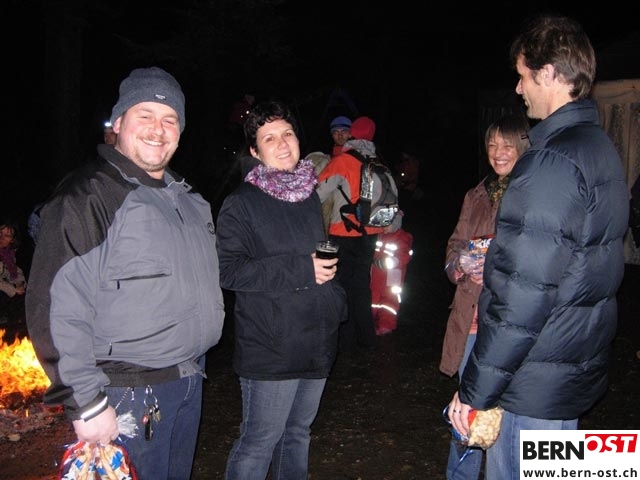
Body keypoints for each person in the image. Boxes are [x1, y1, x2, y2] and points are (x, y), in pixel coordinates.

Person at [448, 14, 629, 480]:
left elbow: (522, 295)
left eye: (524, 75)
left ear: (548, 74)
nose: (518, 87)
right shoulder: (598, 147)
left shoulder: (549, 163)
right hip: (566, 371)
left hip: (530, 380)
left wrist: (475, 389)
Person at [25, 66, 226, 479]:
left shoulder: (190, 201)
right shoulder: (89, 196)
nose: (158, 129)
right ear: (118, 123)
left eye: (170, 119)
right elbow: (54, 305)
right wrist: (85, 402)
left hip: (188, 381)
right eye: (144, 115)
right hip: (125, 393)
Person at [215, 100, 347, 480]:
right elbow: (229, 271)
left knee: (298, 435)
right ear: (255, 152)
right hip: (271, 346)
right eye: (269, 138)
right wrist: (303, 268)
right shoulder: (242, 203)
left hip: (316, 338)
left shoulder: (308, 194)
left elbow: (318, 260)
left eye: (287, 133)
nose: (283, 143)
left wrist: (334, 302)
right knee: (259, 442)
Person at [440, 114, 530, 479]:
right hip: (473, 320)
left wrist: (496, 265)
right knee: (468, 413)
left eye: (507, 144)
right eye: (492, 144)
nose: (498, 152)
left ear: (523, 147)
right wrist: (460, 264)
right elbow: (454, 245)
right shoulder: (475, 194)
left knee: (509, 417)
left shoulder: (533, 193)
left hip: (512, 321)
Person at [316, 116, 385, 352]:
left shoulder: (343, 161)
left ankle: (344, 340)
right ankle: (367, 338)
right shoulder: (376, 161)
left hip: (343, 232)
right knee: (361, 286)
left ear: (352, 134)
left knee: (341, 286)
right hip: (370, 234)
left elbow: (318, 193)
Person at [370, 214, 414, 336]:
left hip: (392, 277)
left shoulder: (402, 238)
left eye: (387, 224)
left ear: (395, 224)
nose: (384, 227)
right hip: (376, 275)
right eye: (382, 224)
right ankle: (370, 322)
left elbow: (404, 255)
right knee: (373, 298)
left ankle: (386, 325)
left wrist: (388, 262)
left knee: (389, 301)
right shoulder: (379, 236)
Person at [0, 221, 26, 325]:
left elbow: (13, 271)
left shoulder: (7, 253)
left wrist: (20, 283)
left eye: (7, 236)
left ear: (12, 240)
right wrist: (13, 290)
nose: (1, 237)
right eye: (0, 233)